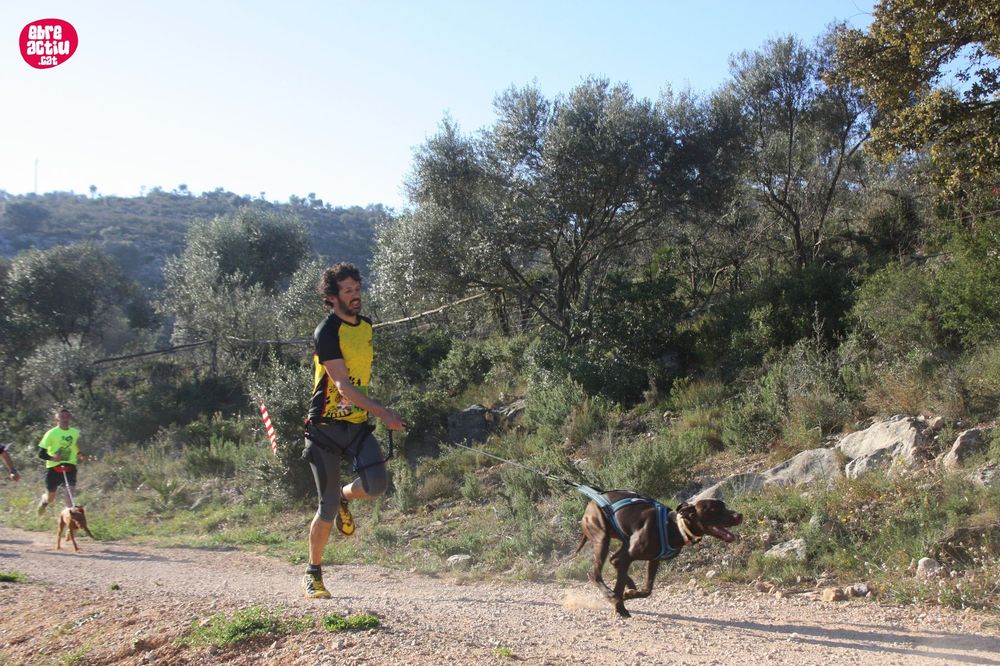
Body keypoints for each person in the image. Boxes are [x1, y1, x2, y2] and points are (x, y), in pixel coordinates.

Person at [301, 262, 406, 599]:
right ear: (332, 297)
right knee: (326, 506)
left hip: (357, 425)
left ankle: (346, 497)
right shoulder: (327, 332)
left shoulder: (367, 326)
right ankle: (313, 573)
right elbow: (342, 386)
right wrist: (384, 413)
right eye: (348, 291)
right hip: (324, 428)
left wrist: (374, 412)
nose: (355, 295)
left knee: (376, 485)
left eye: (357, 289)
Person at [36, 408, 83, 514]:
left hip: (70, 466)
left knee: (69, 496)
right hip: (54, 468)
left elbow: (76, 445)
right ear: (56, 419)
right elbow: (41, 454)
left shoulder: (75, 433)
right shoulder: (51, 433)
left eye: (67, 417)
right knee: (51, 498)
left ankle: (71, 519)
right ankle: (44, 501)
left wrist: (80, 453)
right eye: (62, 417)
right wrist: (53, 458)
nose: (65, 419)